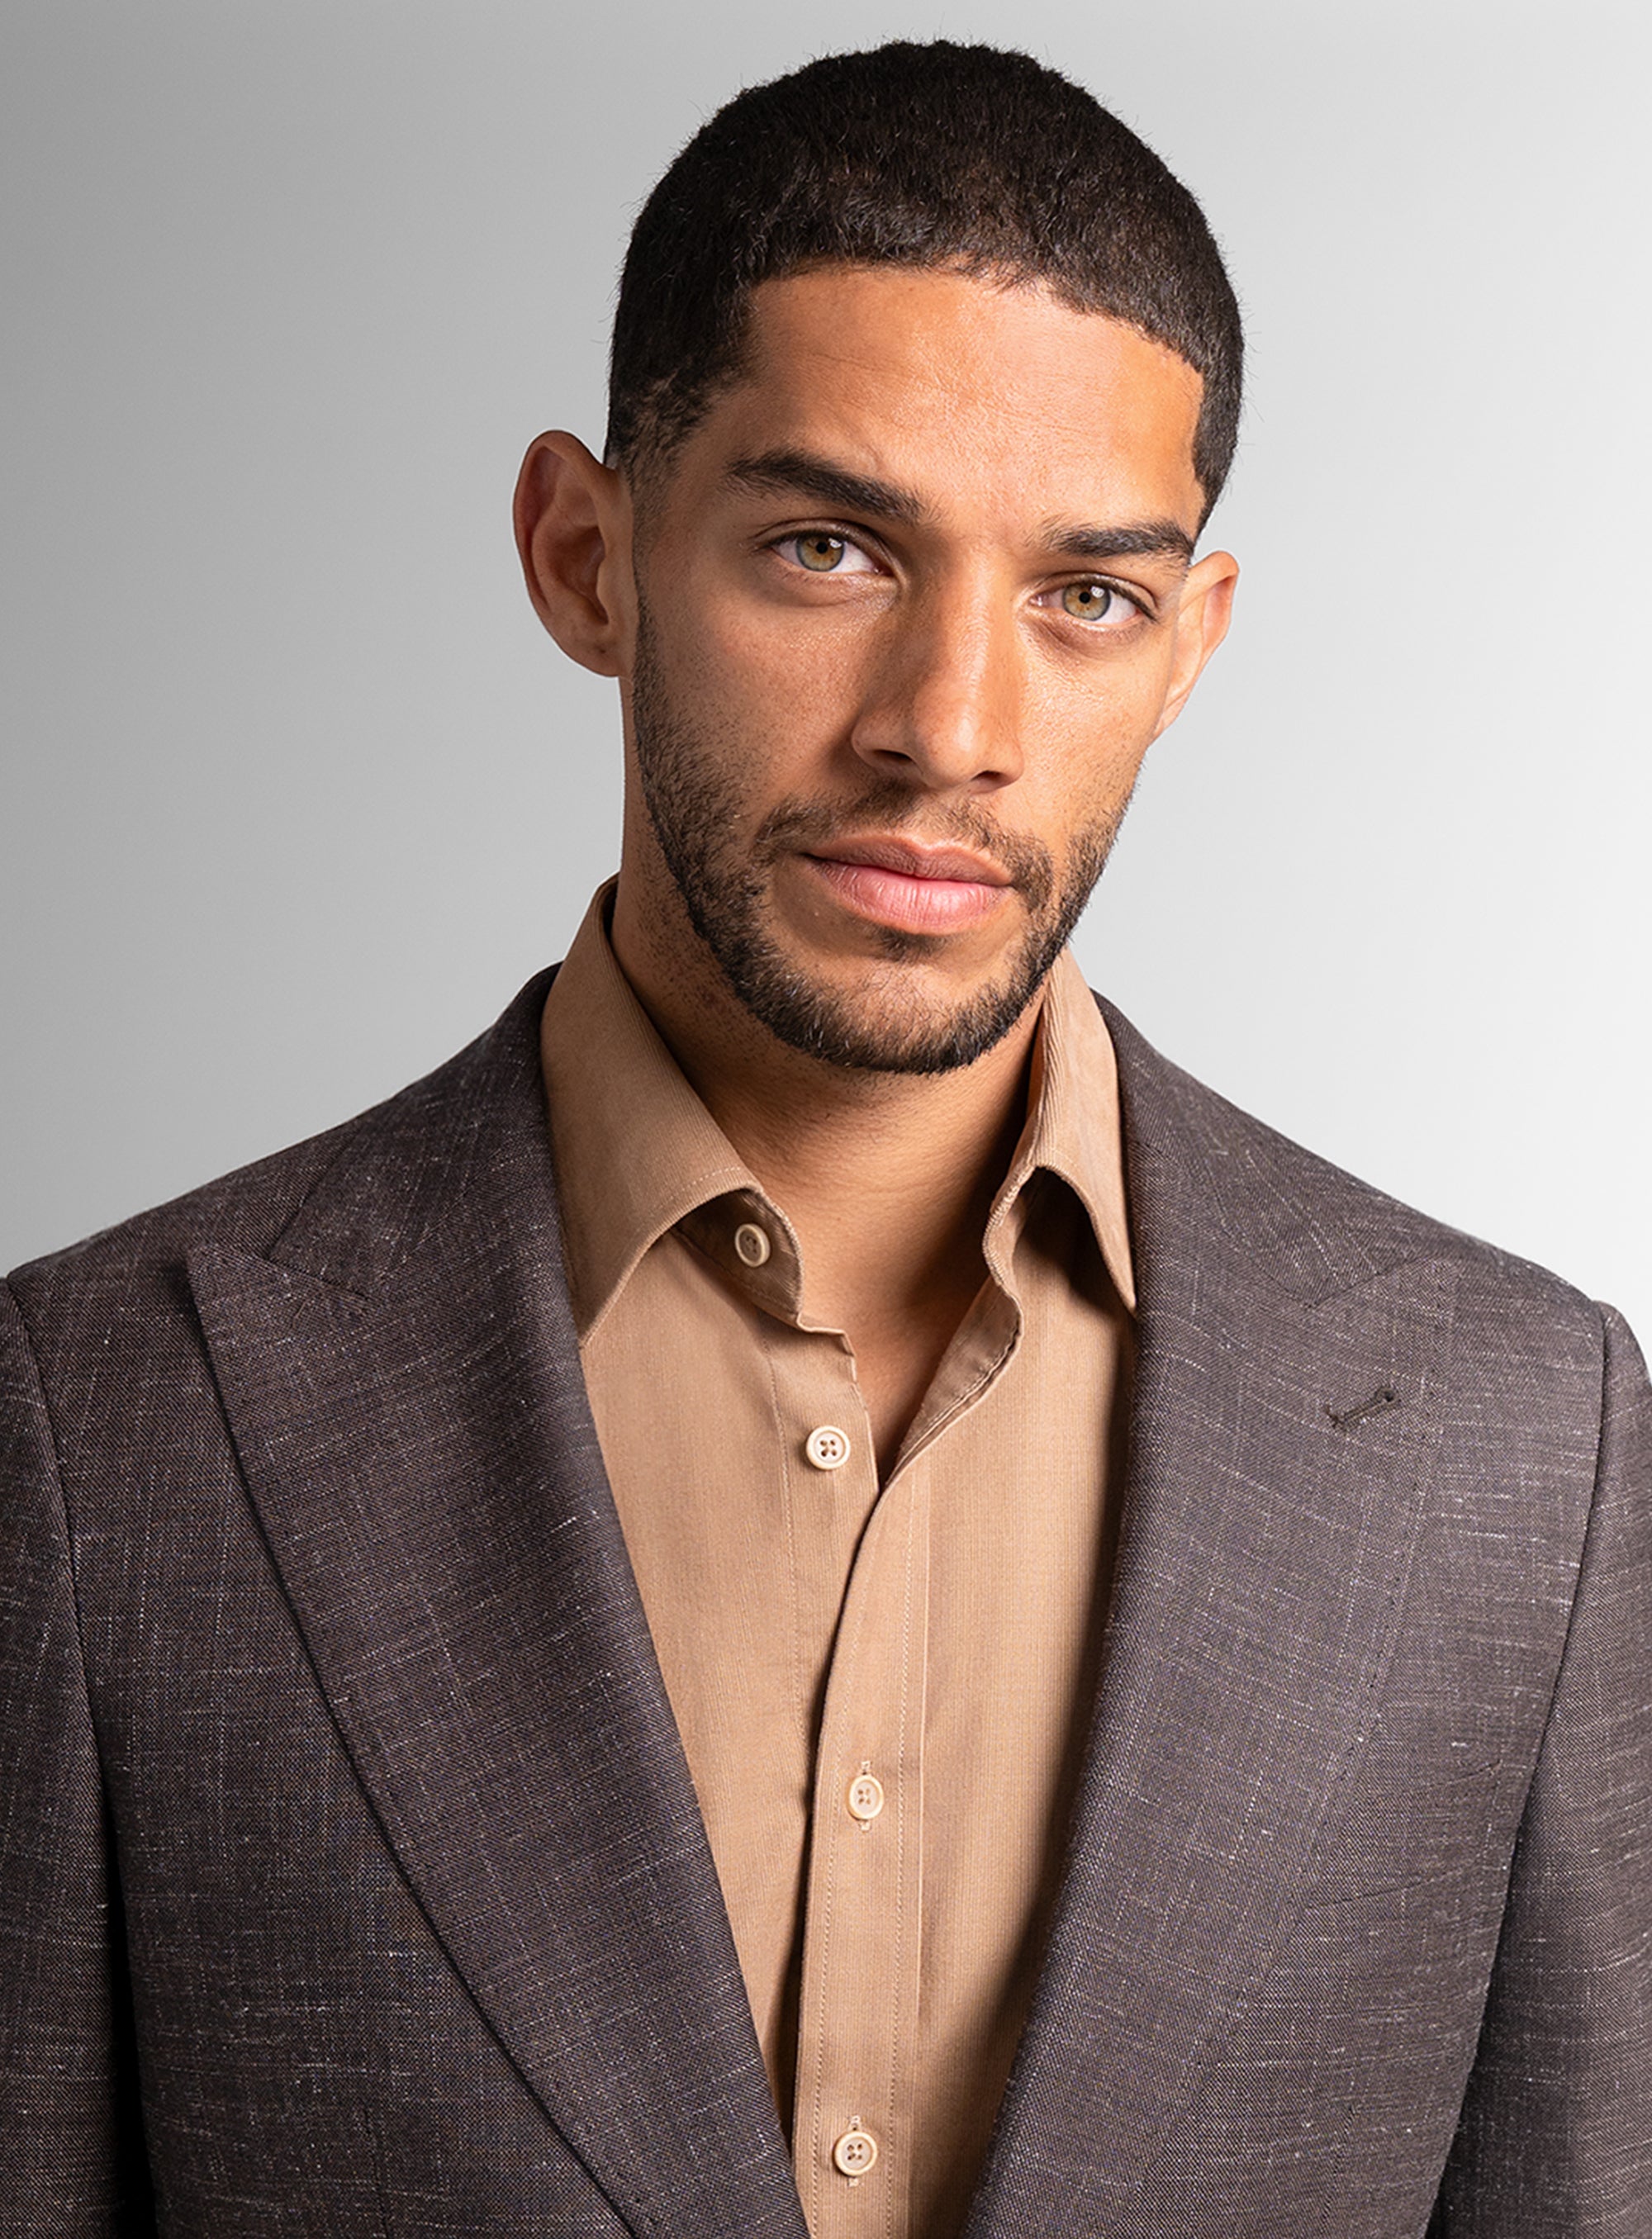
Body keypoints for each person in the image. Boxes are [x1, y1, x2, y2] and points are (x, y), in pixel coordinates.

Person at [2, 37, 1646, 2238]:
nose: (950, 732)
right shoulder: (99, 1429)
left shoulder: (1524, 1447)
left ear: (1190, 647)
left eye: (1088, 595)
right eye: (830, 547)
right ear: (587, 557)